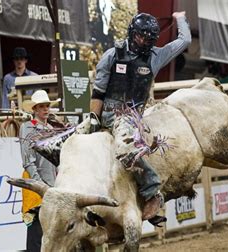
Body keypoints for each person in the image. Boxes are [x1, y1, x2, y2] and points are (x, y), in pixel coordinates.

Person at [88, 11, 191, 220]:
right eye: (139, 35)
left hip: (130, 116)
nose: (142, 40)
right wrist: (93, 120)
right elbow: (98, 91)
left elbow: (185, 40)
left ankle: (152, 190)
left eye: (147, 38)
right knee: (66, 141)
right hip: (107, 111)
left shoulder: (156, 56)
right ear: (131, 33)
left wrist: (179, 18)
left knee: (127, 147)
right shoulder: (111, 55)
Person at [19, 90, 60, 251]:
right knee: (36, 227)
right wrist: (40, 184)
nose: (45, 109)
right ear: (35, 109)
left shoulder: (50, 127)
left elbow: (54, 160)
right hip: (37, 183)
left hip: (50, 183)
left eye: (47, 106)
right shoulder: (27, 127)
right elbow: (28, 160)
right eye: (42, 106)